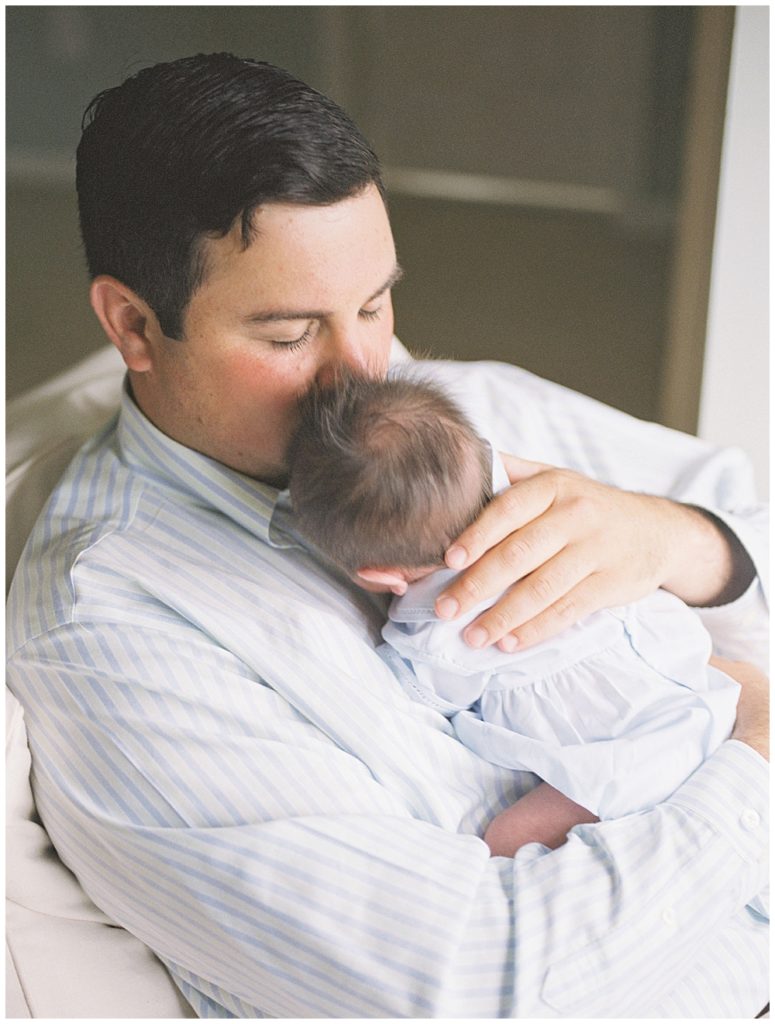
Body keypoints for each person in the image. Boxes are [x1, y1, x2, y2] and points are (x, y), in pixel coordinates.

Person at [6, 53, 768, 1018]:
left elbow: (747, 520)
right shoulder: (114, 632)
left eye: (373, 304)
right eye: (288, 336)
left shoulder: (438, 415)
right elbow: (480, 991)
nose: (363, 370)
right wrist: (756, 746)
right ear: (134, 324)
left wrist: (679, 544)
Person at [286, 369, 746, 854]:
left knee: (506, 839)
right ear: (493, 464)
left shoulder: (433, 629)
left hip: (623, 759)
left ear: (380, 575)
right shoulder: (555, 509)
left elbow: (422, 697)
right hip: (697, 684)